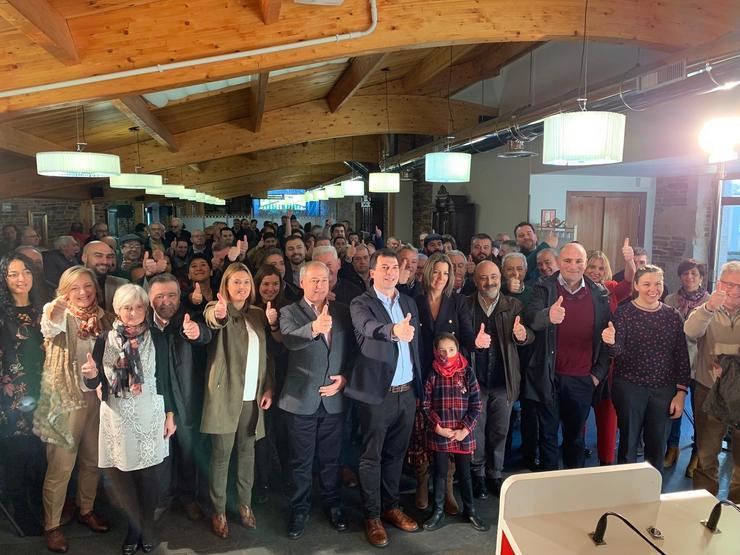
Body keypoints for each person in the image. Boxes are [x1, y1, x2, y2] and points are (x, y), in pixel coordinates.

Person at [81, 284, 175, 554]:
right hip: (118, 416)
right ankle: (133, 528)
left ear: (146, 309)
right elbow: (99, 383)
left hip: (149, 412)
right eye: (126, 307)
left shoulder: (157, 338)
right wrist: (90, 374)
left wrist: (170, 414)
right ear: (117, 311)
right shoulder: (106, 340)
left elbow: (165, 379)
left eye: (138, 307)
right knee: (124, 478)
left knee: (148, 478)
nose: (132, 313)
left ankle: (146, 528)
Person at [34, 266, 115, 553]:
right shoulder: (56, 313)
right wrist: (56, 307)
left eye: (88, 287)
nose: (83, 293)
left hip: (97, 397)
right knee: (61, 466)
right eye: (75, 288)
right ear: (65, 290)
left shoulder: (103, 318)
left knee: (92, 460)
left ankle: (86, 509)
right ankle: (52, 525)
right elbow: (50, 325)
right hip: (65, 398)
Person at [346, 248, 423, 548]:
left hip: (407, 393)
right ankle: (372, 516)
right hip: (377, 395)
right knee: (371, 457)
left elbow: (418, 347)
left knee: (395, 455)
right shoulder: (360, 303)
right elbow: (368, 329)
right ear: (373, 272)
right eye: (384, 268)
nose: (390, 272)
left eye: (394, 267)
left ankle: (391, 507)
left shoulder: (408, 302)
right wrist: (394, 330)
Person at [278, 261, 355, 539]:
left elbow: (353, 353)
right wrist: (314, 327)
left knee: (331, 459)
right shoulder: (288, 312)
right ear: (302, 283)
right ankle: (300, 509)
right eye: (314, 281)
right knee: (301, 461)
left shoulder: (344, 312)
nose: (320, 285)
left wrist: (345, 378)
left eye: (324, 280)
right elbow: (288, 340)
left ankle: (333, 505)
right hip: (300, 401)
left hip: (334, 400)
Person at [201, 263, 275, 539]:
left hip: (252, 400)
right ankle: (218, 510)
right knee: (221, 458)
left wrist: (268, 388)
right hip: (224, 398)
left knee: (248, 455)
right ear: (226, 287)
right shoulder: (216, 307)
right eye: (236, 282)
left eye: (246, 282)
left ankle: (245, 505)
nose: (241, 287)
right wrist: (219, 313)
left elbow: (268, 358)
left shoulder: (257, 314)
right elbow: (212, 319)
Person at [523, 242, 611, 470]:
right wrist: (547, 316)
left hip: (583, 379)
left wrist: (597, 375)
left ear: (585, 264)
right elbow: (530, 319)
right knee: (548, 438)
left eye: (579, 261)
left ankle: (574, 490)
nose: (573, 266)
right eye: (568, 261)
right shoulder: (543, 287)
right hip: (549, 376)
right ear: (559, 263)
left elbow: (606, 338)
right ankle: (549, 491)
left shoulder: (599, 293)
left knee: (575, 439)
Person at [602, 265, 690, 473]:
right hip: (629, 387)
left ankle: (652, 493)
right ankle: (625, 492)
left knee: (657, 445)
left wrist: (680, 393)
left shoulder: (673, 316)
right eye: (647, 284)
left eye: (657, 283)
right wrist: (611, 342)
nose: (653, 289)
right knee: (628, 443)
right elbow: (616, 352)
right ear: (636, 285)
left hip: (663, 389)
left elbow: (681, 357)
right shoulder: (624, 313)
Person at [409, 252, 475, 513]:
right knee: (421, 433)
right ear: (428, 273)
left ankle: (447, 488)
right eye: (436, 271)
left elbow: (467, 337)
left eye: (445, 273)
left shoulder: (458, 302)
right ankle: (422, 483)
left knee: (447, 431)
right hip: (421, 374)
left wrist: (476, 344)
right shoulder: (414, 300)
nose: (440, 277)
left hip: (448, 380)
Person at [147, 274, 212, 522]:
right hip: (155, 399)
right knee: (159, 453)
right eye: (160, 296)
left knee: (187, 451)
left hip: (186, 397)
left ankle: (188, 496)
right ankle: (161, 499)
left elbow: (206, 335)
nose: (167, 301)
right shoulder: (143, 325)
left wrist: (197, 334)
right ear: (150, 298)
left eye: (172, 295)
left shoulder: (190, 319)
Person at [465, 260, 532, 497]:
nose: (489, 282)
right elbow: (459, 342)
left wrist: (523, 336)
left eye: (493, 276)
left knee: (500, 431)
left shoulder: (513, 305)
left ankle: (495, 474)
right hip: (476, 382)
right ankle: (478, 474)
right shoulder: (465, 306)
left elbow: (529, 336)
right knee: (477, 431)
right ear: (475, 280)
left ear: (500, 278)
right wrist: (473, 343)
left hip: (504, 381)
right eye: (483, 277)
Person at [684, 261, 740, 502]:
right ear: (719, 284)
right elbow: (690, 331)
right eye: (729, 284)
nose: (735, 290)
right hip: (708, 389)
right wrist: (708, 308)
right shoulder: (705, 309)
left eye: (739, 285)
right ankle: (703, 508)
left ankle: (737, 511)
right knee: (707, 455)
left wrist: (728, 366)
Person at [0, 253, 46, 536]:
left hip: (44, 390)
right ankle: (18, 504)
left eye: (26, 272)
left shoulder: (45, 309)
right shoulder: (2, 314)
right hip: (11, 395)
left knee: (39, 452)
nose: (21, 279)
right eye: (13, 274)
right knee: (16, 451)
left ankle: (34, 500)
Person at [422, 333, 487, 532]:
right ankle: (438, 510)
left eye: (451, 350)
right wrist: (437, 427)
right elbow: (425, 405)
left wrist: (466, 429)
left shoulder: (467, 373)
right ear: (435, 352)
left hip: (462, 434)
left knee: (465, 474)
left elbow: (476, 404)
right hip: (441, 432)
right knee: (440, 473)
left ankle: (470, 510)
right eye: (442, 351)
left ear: (458, 350)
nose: (446, 355)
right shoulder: (432, 374)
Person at [584, 242, 636, 467]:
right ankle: (577, 455)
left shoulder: (612, 288)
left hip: (609, 363)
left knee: (608, 415)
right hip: (583, 360)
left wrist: (629, 260)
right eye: (591, 267)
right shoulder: (577, 290)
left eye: (600, 267)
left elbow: (631, 282)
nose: (596, 271)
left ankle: (606, 461)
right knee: (579, 414)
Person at [663, 259, 710, 473]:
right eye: (685, 274)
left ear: (701, 277)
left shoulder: (710, 302)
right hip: (675, 363)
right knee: (674, 409)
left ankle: (696, 455)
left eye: (693, 274)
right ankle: (672, 448)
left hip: (700, 363)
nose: (689, 277)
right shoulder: (671, 299)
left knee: (701, 412)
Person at [81, 241, 128, 312]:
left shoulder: (122, 285)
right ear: (84, 258)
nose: (105, 261)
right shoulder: (70, 284)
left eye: (109, 257)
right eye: (98, 255)